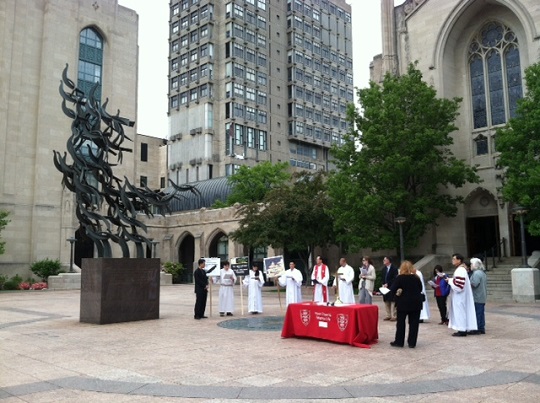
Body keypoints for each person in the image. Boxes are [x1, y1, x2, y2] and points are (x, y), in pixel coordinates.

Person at [389, 260, 424, 348]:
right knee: (414, 323)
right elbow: (420, 288)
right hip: (416, 303)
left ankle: (399, 341)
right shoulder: (416, 277)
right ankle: (412, 342)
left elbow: (393, 289)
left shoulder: (400, 278)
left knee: (401, 323)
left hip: (403, 303)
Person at [447, 253, 477, 336]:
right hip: (460, 296)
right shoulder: (461, 270)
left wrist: (449, 281)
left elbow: (459, 286)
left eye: (454, 259)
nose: (452, 260)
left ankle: (462, 330)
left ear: (459, 260)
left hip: (459, 296)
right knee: (461, 312)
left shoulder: (460, 270)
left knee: (460, 312)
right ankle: (463, 328)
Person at [469, 257, 487, 335]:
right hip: (481, 295)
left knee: (477, 313)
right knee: (481, 312)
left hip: (477, 296)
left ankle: (477, 328)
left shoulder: (476, 273)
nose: (470, 265)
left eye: (471, 264)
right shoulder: (482, 272)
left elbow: (474, 284)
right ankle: (481, 327)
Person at [381, 256, 398, 321]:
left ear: (388, 260)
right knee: (386, 301)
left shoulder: (394, 268)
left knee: (393, 301)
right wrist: (383, 284)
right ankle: (388, 315)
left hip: (392, 287)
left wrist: (388, 283)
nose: (383, 261)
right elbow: (382, 278)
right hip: (385, 287)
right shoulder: (383, 269)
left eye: (385, 260)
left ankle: (394, 315)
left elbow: (395, 278)